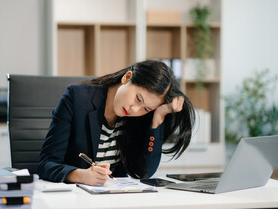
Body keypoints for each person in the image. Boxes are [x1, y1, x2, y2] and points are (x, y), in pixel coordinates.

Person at [38, 60, 196, 186]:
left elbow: (143, 172)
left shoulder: (138, 118)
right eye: (138, 98)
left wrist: (157, 118)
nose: (135, 109)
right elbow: (47, 164)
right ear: (127, 78)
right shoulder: (76, 98)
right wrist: (82, 175)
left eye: (146, 108)